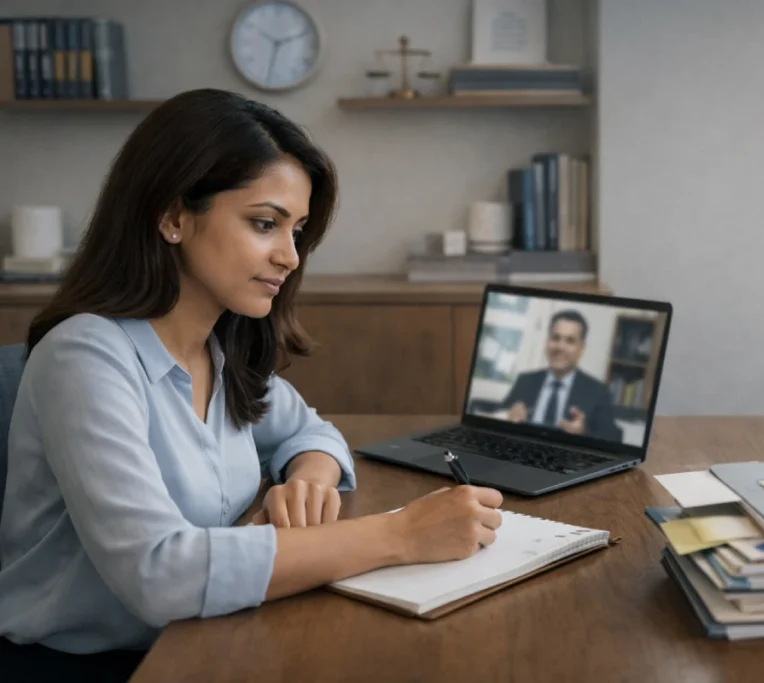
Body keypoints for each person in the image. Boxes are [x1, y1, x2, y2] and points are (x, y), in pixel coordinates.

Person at [0, 88, 503, 683]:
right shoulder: (85, 356)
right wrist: (400, 534)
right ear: (172, 216)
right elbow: (161, 574)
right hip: (89, 668)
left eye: (298, 230)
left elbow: (311, 432)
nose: (289, 256)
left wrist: (308, 478)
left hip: (211, 637)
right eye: (265, 224)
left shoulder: (219, 349)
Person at [500, 310, 622, 441]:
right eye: (555, 338)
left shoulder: (598, 392)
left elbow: (614, 439)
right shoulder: (525, 381)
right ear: (547, 342)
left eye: (570, 341)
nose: (560, 347)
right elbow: (495, 418)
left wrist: (583, 433)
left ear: (581, 349)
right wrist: (508, 415)